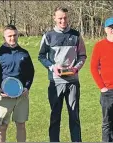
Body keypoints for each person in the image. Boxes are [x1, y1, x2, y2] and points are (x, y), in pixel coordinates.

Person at [38, 7, 87, 142]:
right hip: (55, 83)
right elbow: (41, 56)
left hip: (72, 82)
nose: (63, 20)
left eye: (65, 17)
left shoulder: (76, 35)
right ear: (54, 18)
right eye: (60, 18)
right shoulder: (48, 36)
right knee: (55, 116)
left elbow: (82, 56)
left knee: (74, 116)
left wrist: (76, 69)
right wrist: (53, 67)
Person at [0, 25, 34, 142]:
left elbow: (30, 73)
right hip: (5, 96)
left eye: (14, 35)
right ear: (4, 37)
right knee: (2, 126)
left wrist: (27, 87)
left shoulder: (24, 53)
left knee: (21, 125)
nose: (12, 38)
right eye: (9, 36)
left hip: (22, 96)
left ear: (18, 35)